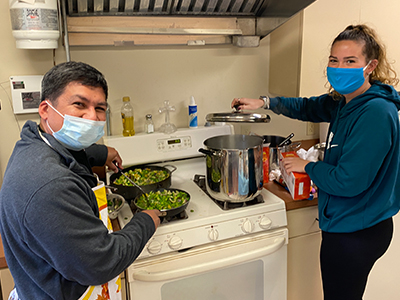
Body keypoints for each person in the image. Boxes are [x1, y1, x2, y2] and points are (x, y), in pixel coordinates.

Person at [232, 24, 400, 300]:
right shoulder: (346, 101)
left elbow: (349, 181)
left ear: (370, 66)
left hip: (357, 231)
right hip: (351, 222)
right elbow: (307, 107)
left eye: (350, 61)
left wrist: (308, 167)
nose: (339, 68)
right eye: (334, 60)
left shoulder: (375, 112)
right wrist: (263, 102)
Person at [0, 61, 161, 300]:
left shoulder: (33, 143)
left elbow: (65, 152)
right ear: (45, 109)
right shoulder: (50, 184)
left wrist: (100, 153)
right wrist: (146, 221)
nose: (91, 117)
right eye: (79, 104)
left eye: (100, 108)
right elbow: (101, 262)